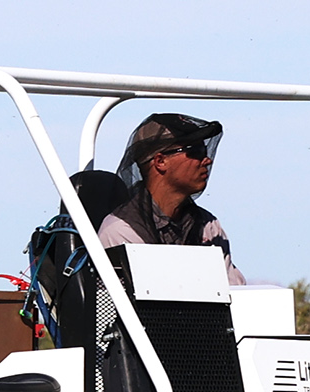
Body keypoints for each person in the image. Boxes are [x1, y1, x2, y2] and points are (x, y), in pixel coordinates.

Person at [97, 112, 247, 285]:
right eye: (195, 152)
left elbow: (235, 293)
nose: (207, 160)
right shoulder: (122, 231)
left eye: (204, 150)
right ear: (160, 161)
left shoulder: (209, 227)